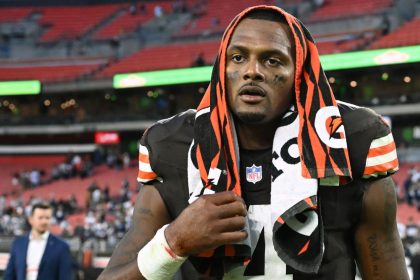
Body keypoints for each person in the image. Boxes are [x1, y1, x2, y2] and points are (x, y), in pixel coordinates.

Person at [99, 5, 409, 280]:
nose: (252, 71)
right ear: (222, 68)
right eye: (238, 57)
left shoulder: (351, 138)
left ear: (299, 74)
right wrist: (173, 243)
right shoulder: (172, 145)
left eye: (272, 60)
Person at [4, 203, 73, 280]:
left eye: (47, 218)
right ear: (31, 220)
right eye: (40, 218)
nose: (44, 221)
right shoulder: (18, 244)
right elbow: (9, 275)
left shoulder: (61, 247)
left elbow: (65, 277)